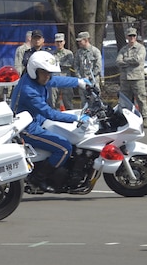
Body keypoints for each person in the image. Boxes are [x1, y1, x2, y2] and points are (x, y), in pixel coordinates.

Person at [10, 50, 91, 192]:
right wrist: (76, 118)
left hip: (37, 121)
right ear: (35, 71)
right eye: (45, 73)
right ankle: (37, 179)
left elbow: (57, 80)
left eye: (49, 73)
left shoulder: (37, 79)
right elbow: (49, 113)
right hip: (27, 129)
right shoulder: (29, 90)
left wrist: (79, 82)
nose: (48, 76)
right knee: (64, 148)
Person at [116, 27, 147, 127]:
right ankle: (128, 119)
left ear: (136, 36)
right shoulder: (123, 49)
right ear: (127, 37)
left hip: (137, 78)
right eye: (130, 36)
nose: (132, 38)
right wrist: (130, 61)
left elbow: (138, 60)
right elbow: (118, 61)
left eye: (133, 36)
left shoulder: (140, 48)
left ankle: (144, 118)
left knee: (141, 98)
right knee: (126, 100)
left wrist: (125, 61)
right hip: (125, 79)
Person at [52, 33, 76, 110]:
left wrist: (57, 63)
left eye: (61, 41)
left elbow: (69, 64)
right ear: (55, 43)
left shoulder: (68, 53)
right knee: (54, 102)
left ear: (64, 42)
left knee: (67, 101)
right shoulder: (51, 54)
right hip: (55, 78)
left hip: (66, 78)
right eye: (57, 42)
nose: (59, 43)